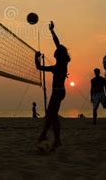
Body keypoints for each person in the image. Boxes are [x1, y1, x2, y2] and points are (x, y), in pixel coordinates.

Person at [34, 21, 70, 149]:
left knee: (50, 115)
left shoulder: (56, 67)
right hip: (60, 91)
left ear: (58, 55)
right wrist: (52, 31)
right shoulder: (64, 61)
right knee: (52, 116)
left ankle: (44, 134)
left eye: (57, 51)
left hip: (57, 92)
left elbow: (38, 67)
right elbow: (58, 43)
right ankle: (56, 140)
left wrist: (36, 57)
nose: (56, 49)